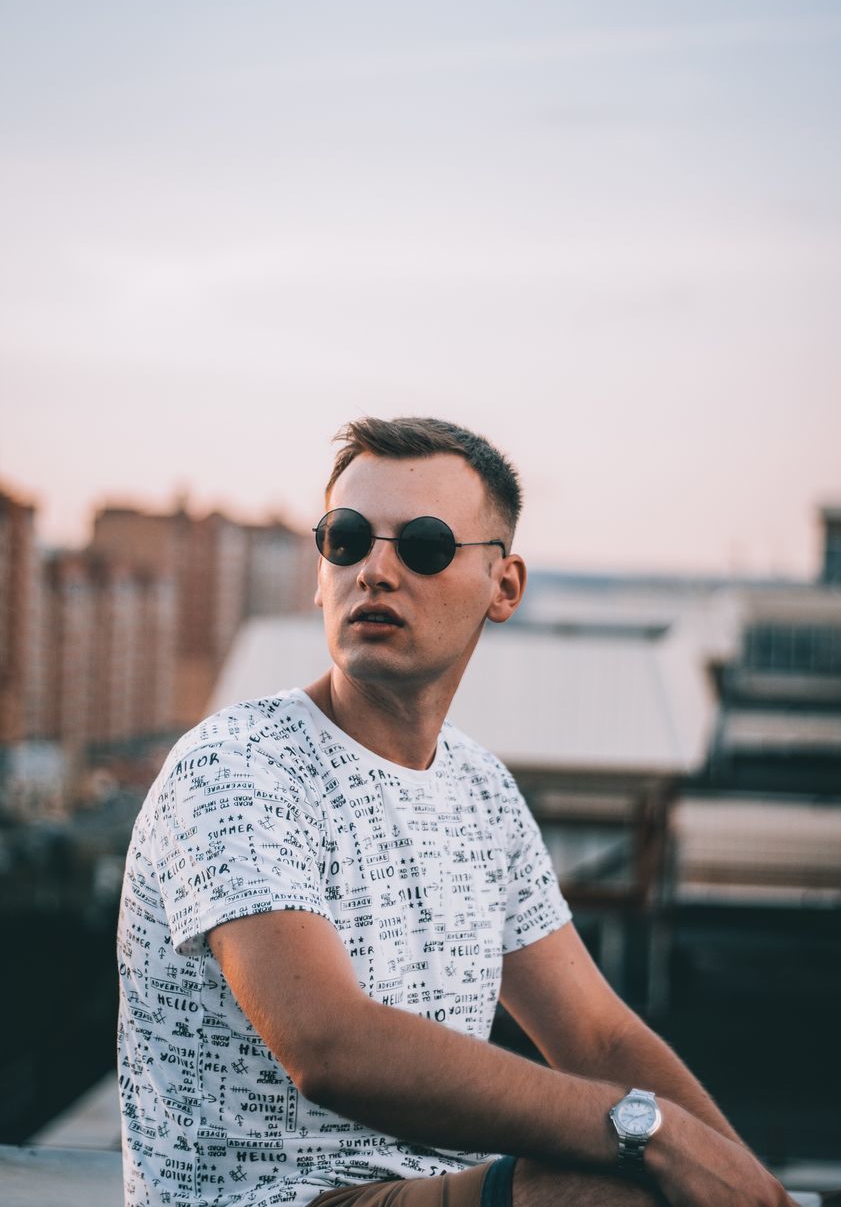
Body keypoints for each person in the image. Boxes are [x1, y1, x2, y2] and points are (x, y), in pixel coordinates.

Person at [117, 416, 797, 1207]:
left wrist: (745, 1183)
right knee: (604, 1195)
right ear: (319, 572)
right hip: (275, 1201)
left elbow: (595, 1034)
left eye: (425, 546)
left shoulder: (479, 788)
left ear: (503, 587)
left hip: (424, 1188)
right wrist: (647, 1130)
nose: (374, 570)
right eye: (346, 539)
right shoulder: (237, 765)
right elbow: (329, 1046)